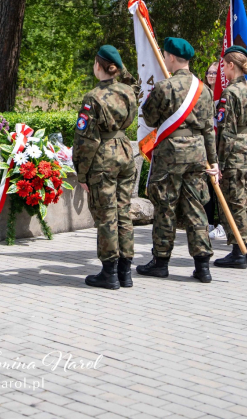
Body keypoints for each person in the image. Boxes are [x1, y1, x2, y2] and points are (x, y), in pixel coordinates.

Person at [137, 37, 218, 283]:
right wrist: (213, 161)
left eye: (164, 55)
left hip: (170, 154)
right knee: (196, 208)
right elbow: (208, 130)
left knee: (165, 207)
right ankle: (203, 265)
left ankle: (161, 262)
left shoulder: (164, 87)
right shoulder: (205, 90)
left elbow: (149, 119)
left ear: (171, 57)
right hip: (197, 155)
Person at [72, 45, 138, 290]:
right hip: (125, 152)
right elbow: (135, 84)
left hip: (103, 157)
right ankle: (125, 271)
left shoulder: (93, 97)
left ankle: (109, 273)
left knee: (106, 214)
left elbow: (85, 139)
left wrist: (81, 172)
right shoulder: (129, 92)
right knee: (123, 212)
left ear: (98, 66)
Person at [212, 46, 247, 269]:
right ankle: (246, 250)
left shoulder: (229, 93)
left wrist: (218, 163)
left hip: (235, 152)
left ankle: (238, 252)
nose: (222, 69)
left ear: (231, 65)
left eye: (223, 65)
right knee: (246, 201)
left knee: (234, 202)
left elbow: (226, 131)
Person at [203, 61, 225, 240]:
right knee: (207, 187)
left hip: (219, 145)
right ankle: (208, 221)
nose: (211, 76)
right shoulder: (202, 94)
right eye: (209, 73)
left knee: (219, 185)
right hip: (205, 146)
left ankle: (222, 224)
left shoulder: (223, 95)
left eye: (215, 73)